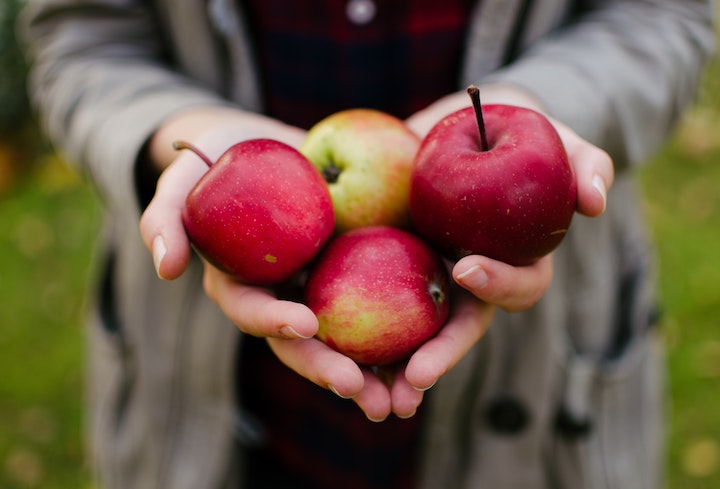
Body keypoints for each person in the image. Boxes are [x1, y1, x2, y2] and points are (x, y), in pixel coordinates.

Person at [20, 1, 715, 488]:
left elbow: (663, 14)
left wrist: (536, 101)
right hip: (219, 402)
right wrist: (173, 130)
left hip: (541, 389)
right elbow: (80, 35)